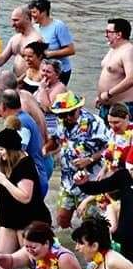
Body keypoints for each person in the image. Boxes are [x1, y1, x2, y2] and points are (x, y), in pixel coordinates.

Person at [0, 128, 52, 269]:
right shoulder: (5, 162)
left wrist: (4, 181)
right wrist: (0, 166)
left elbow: (25, 197)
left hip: (28, 220)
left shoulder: (25, 165)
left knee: (36, 265)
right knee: (1, 261)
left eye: (1, 149)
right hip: (8, 220)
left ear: (11, 150)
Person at [48, 91, 108, 228]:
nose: (68, 117)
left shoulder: (94, 123)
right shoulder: (60, 121)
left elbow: (109, 148)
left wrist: (90, 159)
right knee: (61, 220)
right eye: (63, 114)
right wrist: (44, 150)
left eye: (71, 113)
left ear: (79, 109)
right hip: (68, 180)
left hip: (91, 180)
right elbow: (55, 140)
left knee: (91, 224)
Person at [29, 0, 75, 84]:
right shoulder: (35, 27)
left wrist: (50, 54)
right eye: (31, 12)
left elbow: (71, 50)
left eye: (34, 12)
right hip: (44, 70)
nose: (32, 15)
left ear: (44, 12)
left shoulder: (58, 26)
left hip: (61, 71)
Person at [96, 18, 133, 117]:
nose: (105, 35)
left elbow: (131, 78)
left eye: (108, 32)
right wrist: (100, 97)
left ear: (119, 34)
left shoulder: (128, 51)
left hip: (123, 107)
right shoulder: (113, 49)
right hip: (106, 104)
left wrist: (108, 94)